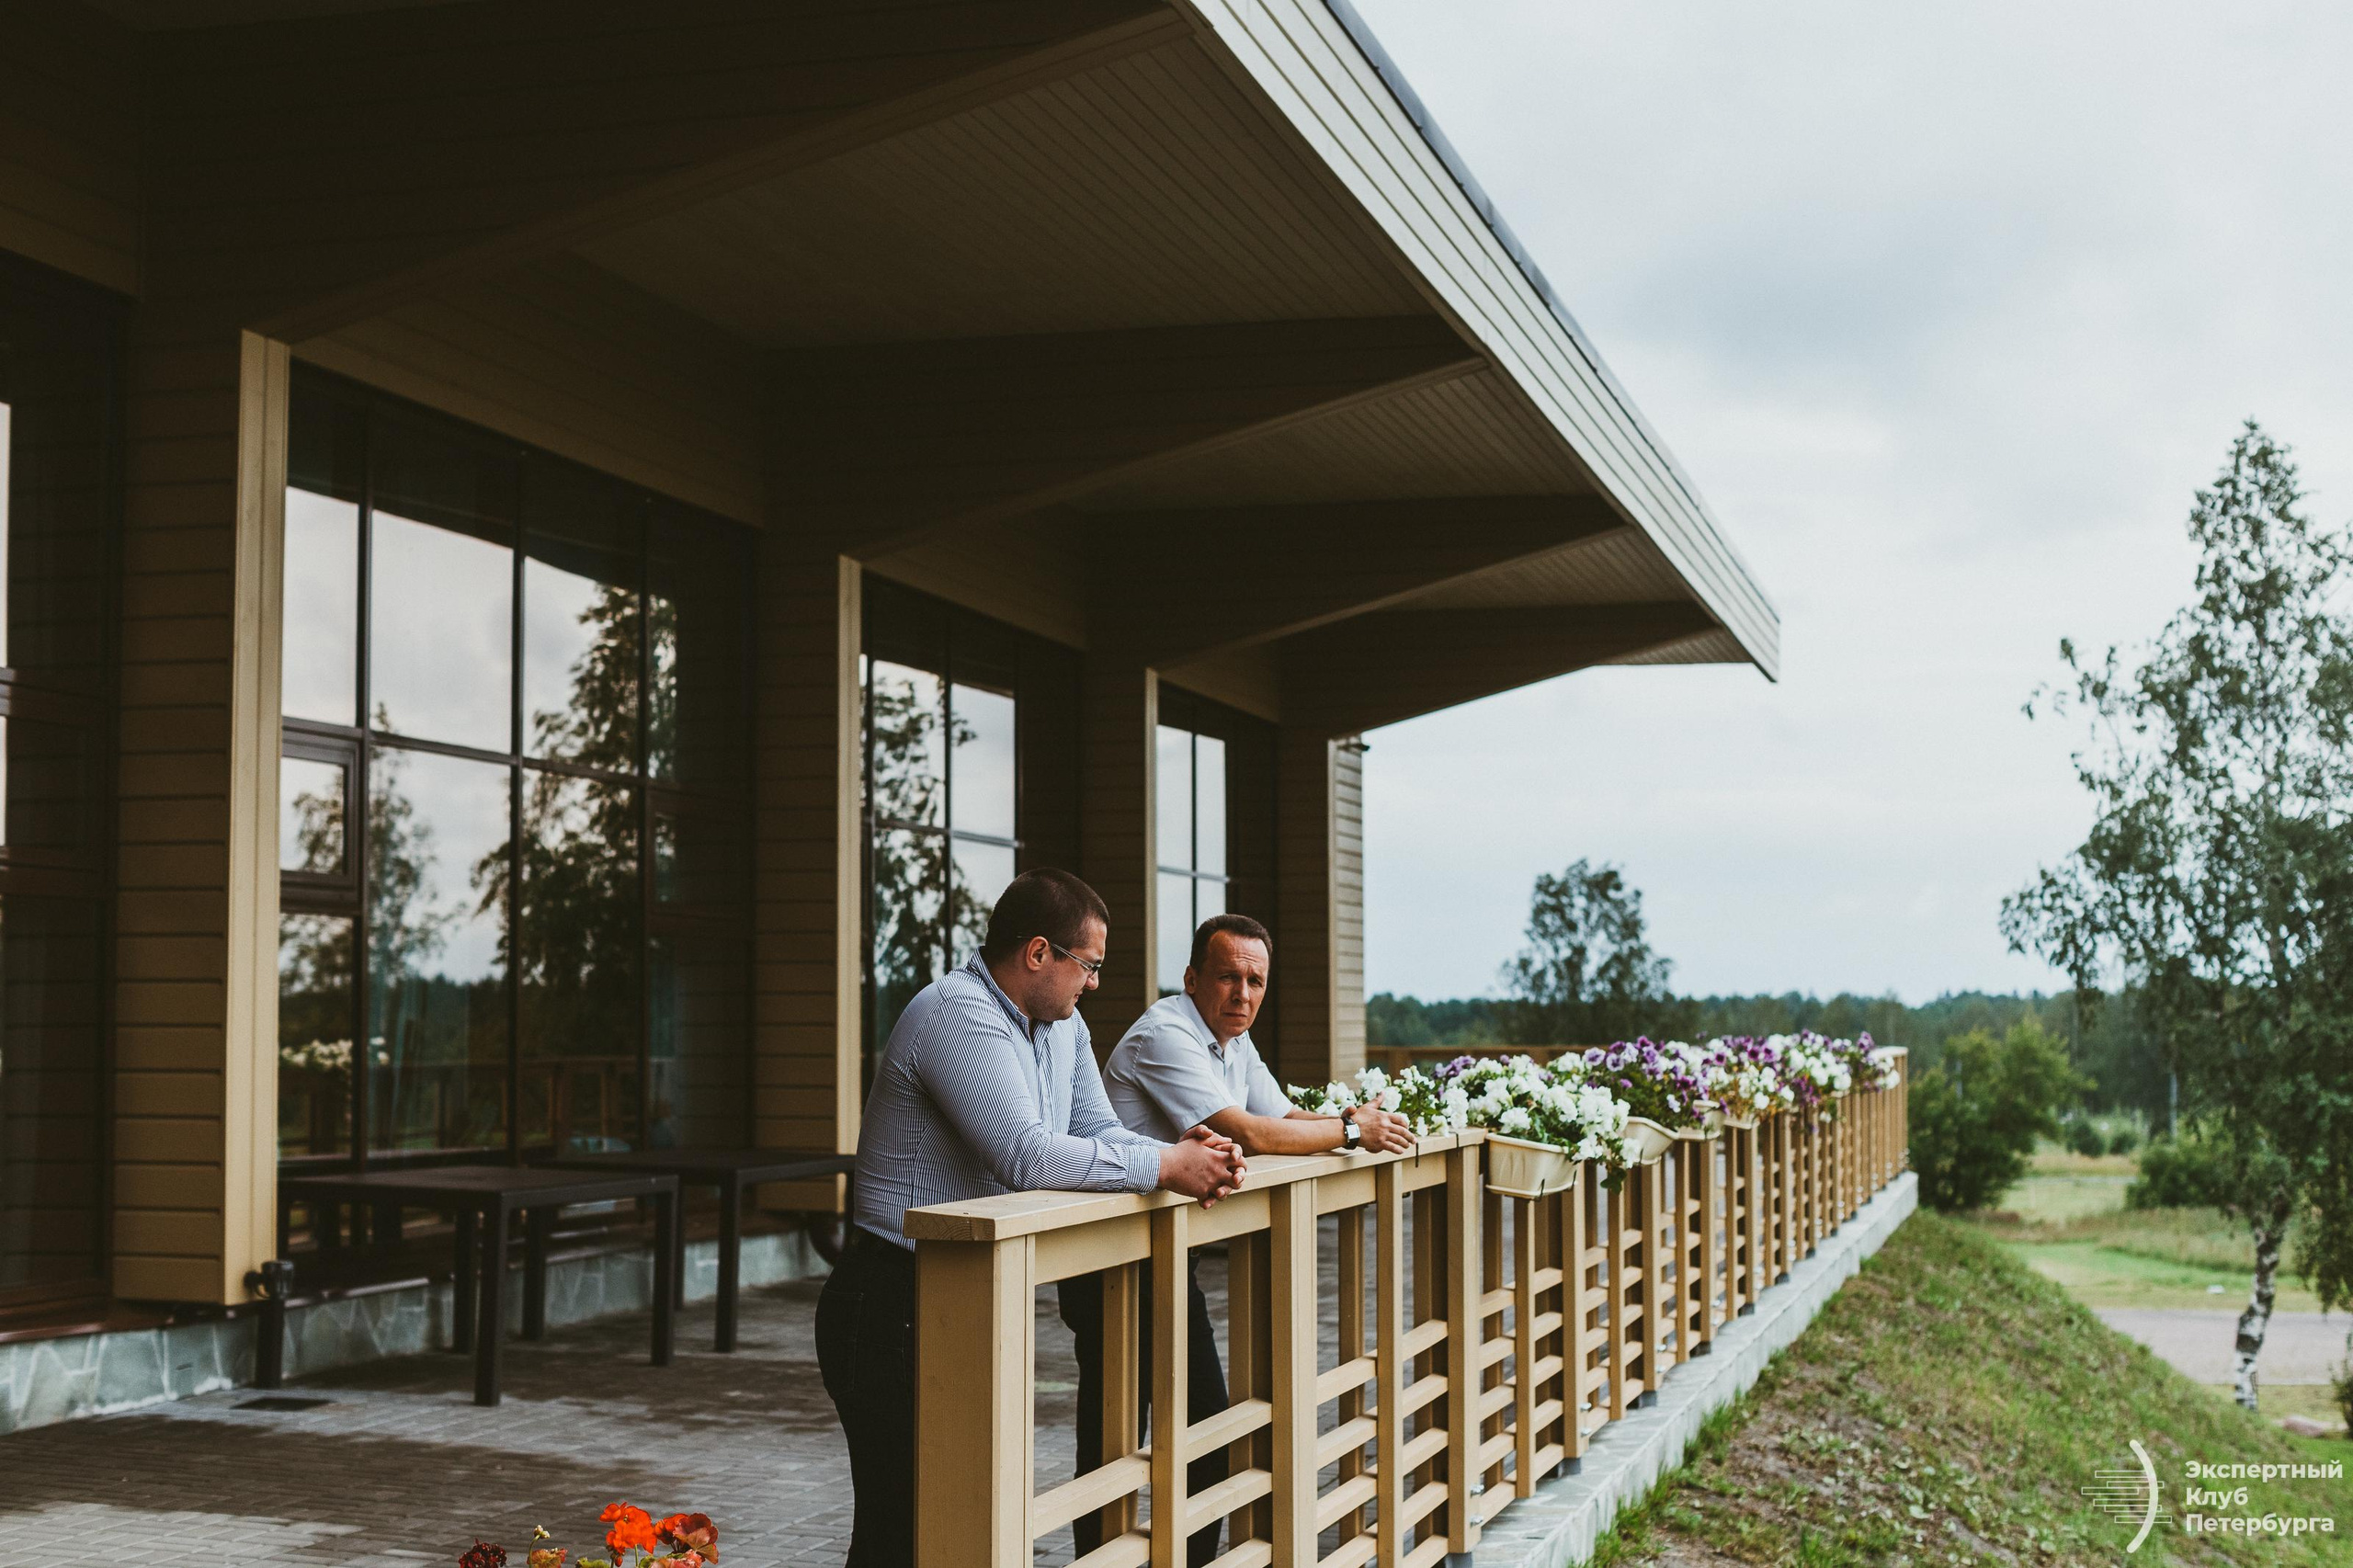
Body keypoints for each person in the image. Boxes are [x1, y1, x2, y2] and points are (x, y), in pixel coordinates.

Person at [815, 869, 1247, 1568]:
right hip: (887, 1302)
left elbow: (1098, 1130)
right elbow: (1025, 1155)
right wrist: (1167, 1168)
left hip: (965, 1299)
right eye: (1090, 965)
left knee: (959, 1526)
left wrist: (1180, 1150)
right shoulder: (958, 1012)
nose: (1096, 984)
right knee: (902, 1531)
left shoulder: (1062, 1024)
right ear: (1039, 953)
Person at [1062, 913, 1416, 1563]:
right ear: (1193, 978)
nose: (1243, 994)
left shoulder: (1233, 1041)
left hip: (1169, 1259)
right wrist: (1350, 1130)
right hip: (1108, 1260)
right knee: (1113, 1438)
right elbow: (1250, 1134)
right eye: (1227, 977)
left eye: (1255, 981)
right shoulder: (1166, 1035)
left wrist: (1360, 1122)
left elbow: (1281, 1116)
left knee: (1206, 1430)